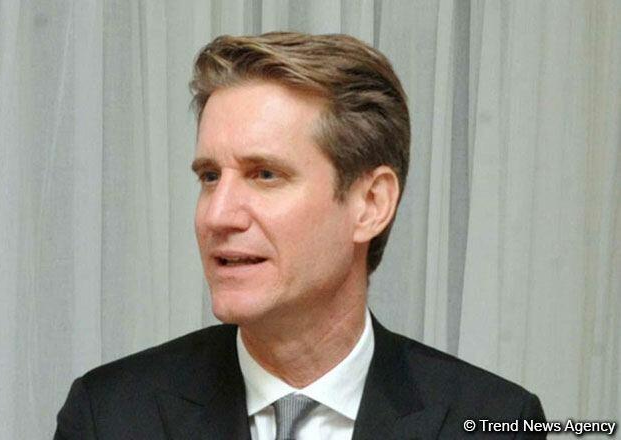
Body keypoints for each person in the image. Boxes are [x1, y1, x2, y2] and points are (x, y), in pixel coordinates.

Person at [55, 32, 545, 439]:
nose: (217, 215)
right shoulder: (110, 416)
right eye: (209, 177)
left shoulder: (493, 421)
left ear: (371, 204)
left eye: (265, 174)